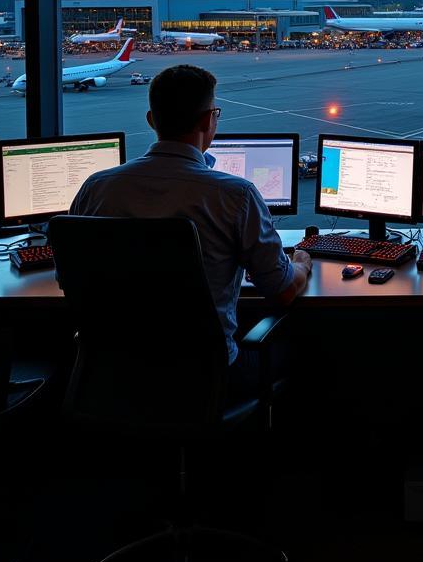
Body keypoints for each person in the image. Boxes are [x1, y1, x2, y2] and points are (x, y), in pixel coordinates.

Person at [70, 64, 312, 392]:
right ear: (207, 120)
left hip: (112, 379)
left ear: (152, 121)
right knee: (307, 349)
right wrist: (300, 263)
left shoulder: (95, 188)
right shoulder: (235, 195)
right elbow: (283, 292)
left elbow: (69, 278)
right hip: (206, 379)